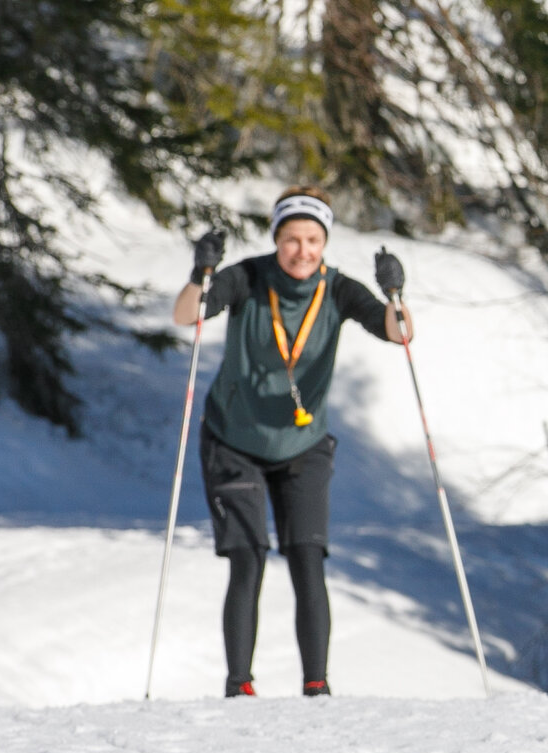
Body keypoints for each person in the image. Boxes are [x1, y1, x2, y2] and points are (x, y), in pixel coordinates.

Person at [174, 187, 414, 697]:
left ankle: (317, 687)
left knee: (307, 557)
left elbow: (399, 334)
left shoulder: (338, 289)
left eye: (312, 240)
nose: (302, 251)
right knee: (248, 558)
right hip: (233, 440)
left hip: (303, 445)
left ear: (324, 242)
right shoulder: (248, 277)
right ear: (276, 239)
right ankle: (239, 687)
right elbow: (187, 315)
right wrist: (201, 275)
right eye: (291, 239)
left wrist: (395, 294)